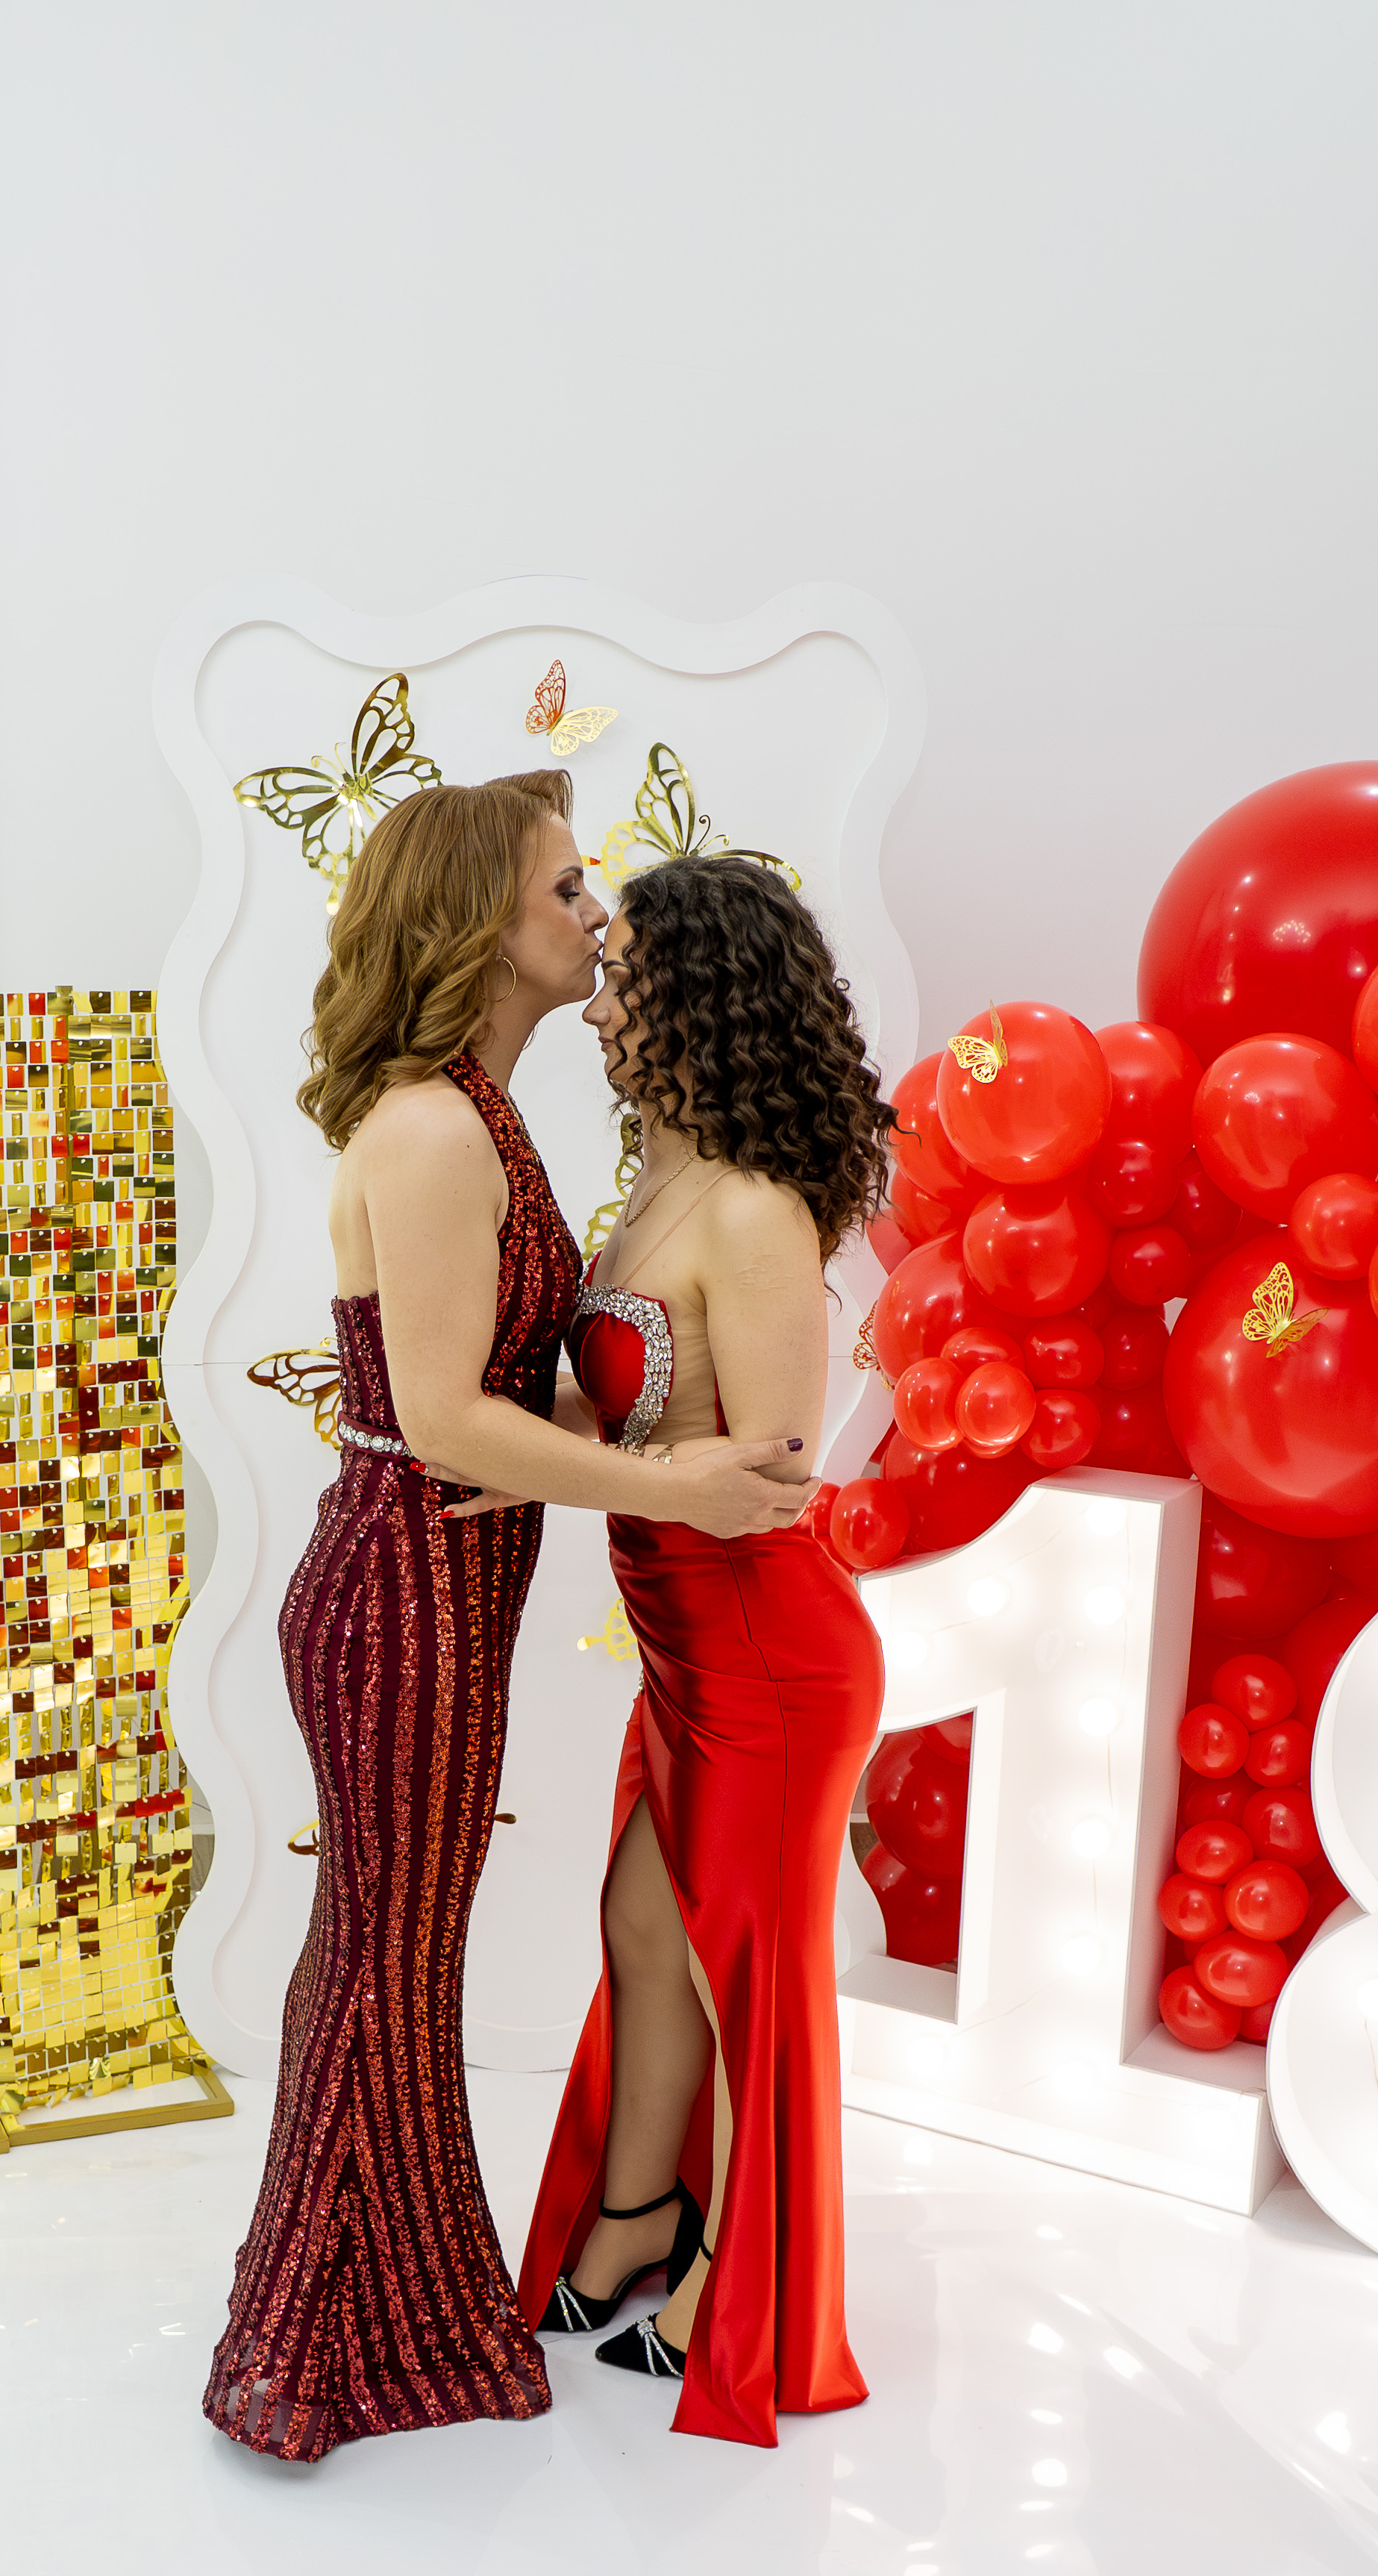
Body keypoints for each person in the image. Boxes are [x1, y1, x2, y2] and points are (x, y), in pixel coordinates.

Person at [202, 775, 815, 2464]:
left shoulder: (479, 1113)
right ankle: (317, 2347)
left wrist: (560, 1448)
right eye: (564, 890)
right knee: (383, 1967)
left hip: (445, 1580)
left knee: (397, 1964)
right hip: (400, 1598)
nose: (595, 919)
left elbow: (484, 1404)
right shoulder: (431, 1129)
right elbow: (443, 1414)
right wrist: (660, 1481)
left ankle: (389, 2307)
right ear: (478, 920)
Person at [515, 854, 898, 2447]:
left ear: (696, 998)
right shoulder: (659, 1179)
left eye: (624, 979)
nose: (598, 1001)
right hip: (680, 1647)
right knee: (643, 1928)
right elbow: (627, 1415)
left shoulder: (748, 1205)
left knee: (749, 1975)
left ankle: (747, 2284)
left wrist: (558, 1464)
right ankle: (635, 2221)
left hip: (766, 1654)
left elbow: (774, 1473)